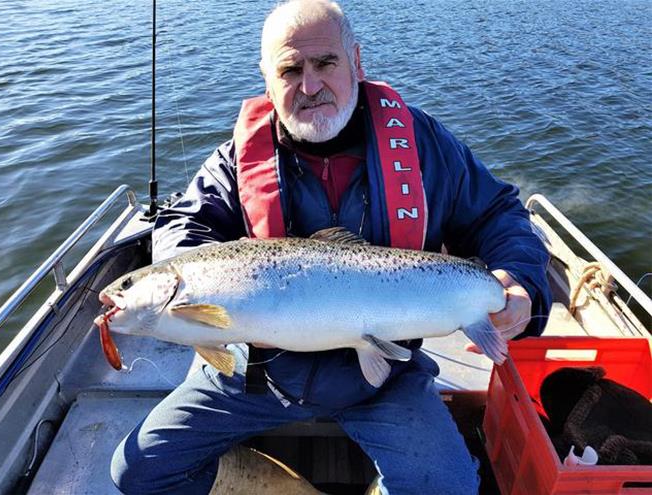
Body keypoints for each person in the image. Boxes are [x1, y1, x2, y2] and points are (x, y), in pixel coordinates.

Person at [110, 1, 551, 493]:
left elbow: (499, 213)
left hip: (386, 375)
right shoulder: (235, 159)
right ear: (267, 78)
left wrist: (520, 279)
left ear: (357, 63)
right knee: (138, 470)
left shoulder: (424, 143)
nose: (310, 85)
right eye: (290, 69)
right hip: (254, 373)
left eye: (325, 64)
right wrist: (194, 287)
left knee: (445, 487)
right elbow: (184, 224)